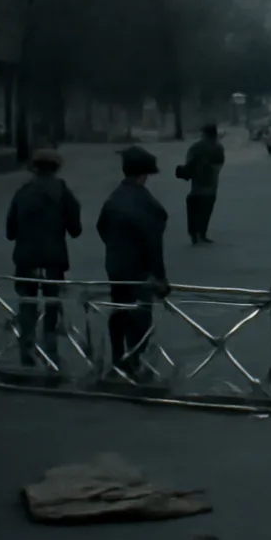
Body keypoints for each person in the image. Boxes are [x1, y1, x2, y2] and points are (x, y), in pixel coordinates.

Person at [96, 146, 170, 379]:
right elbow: (154, 244)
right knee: (140, 315)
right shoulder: (148, 204)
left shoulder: (113, 198)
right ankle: (135, 361)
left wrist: (116, 249)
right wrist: (160, 276)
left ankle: (118, 360)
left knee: (118, 311)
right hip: (140, 270)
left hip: (116, 267)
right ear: (144, 175)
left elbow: (101, 227)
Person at [5, 149, 83, 367]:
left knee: (27, 304)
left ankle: (26, 351)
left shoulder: (22, 192)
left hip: (26, 258)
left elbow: (10, 231)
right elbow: (75, 229)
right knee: (52, 303)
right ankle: (50, 352)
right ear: (56, 168)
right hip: (53, 258)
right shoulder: (63, 191)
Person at [177, 124, 225, 245]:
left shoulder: (196, 147)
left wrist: (184, 172)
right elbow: (219, 164)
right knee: (206, 211)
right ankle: (202, 234)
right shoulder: (218, 147)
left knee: (194, 210)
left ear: (204, 134)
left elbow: (189, 163)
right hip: (212, 186)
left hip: (197, 185)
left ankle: (194, 234)